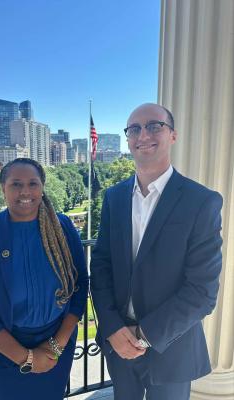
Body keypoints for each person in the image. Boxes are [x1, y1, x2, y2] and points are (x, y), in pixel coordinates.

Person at [90, 103, 223, 400]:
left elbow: (202, 291)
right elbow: (101, 266)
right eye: (134, 129)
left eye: (154, 126)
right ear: (128, 138)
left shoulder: (202, 201)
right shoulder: (114, 197)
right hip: (119, 345)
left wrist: (143, 335)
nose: (143, 135)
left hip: (172, 347)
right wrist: (112, 328)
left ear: (172, 135)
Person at [0, 158, 88, 400]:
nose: (25, 191)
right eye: (16, 184)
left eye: (33, 183)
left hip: (54, 348)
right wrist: (27, 358)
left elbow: (79, 287)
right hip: (2, 354)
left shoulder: (63, 227)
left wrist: (56, 345)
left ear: (42, 187)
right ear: (3, 189)